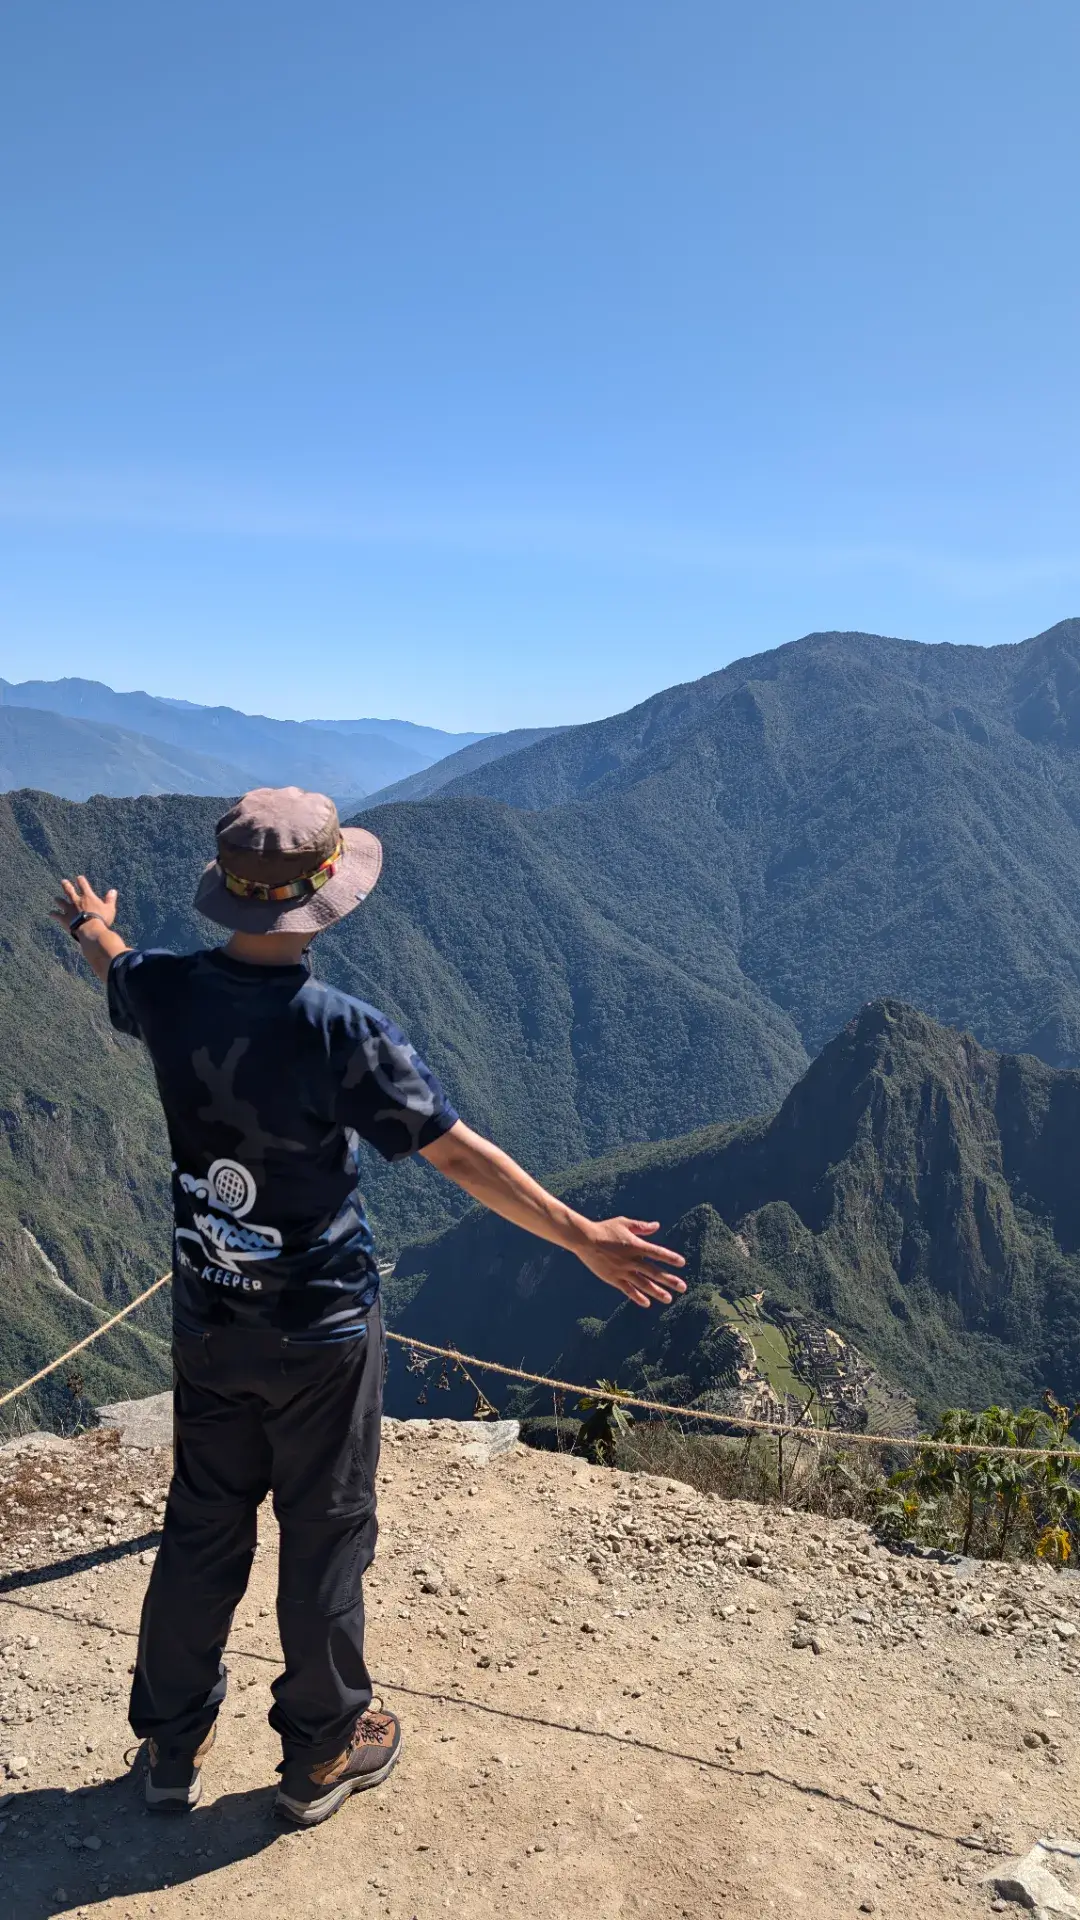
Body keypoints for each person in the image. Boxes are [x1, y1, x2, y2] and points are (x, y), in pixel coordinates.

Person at [51, 786, 687, 1828]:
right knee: (325, 1530)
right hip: (322, 1329)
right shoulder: (339, 1029)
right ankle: (320, 1749)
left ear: (226, 896)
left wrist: (90, 923)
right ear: (321, 901)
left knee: (203, 1526)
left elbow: (114, 966)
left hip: (210, 1318)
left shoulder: (166, 992)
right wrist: (581, 1237)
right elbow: (457, 1154)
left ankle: (170, 1744)